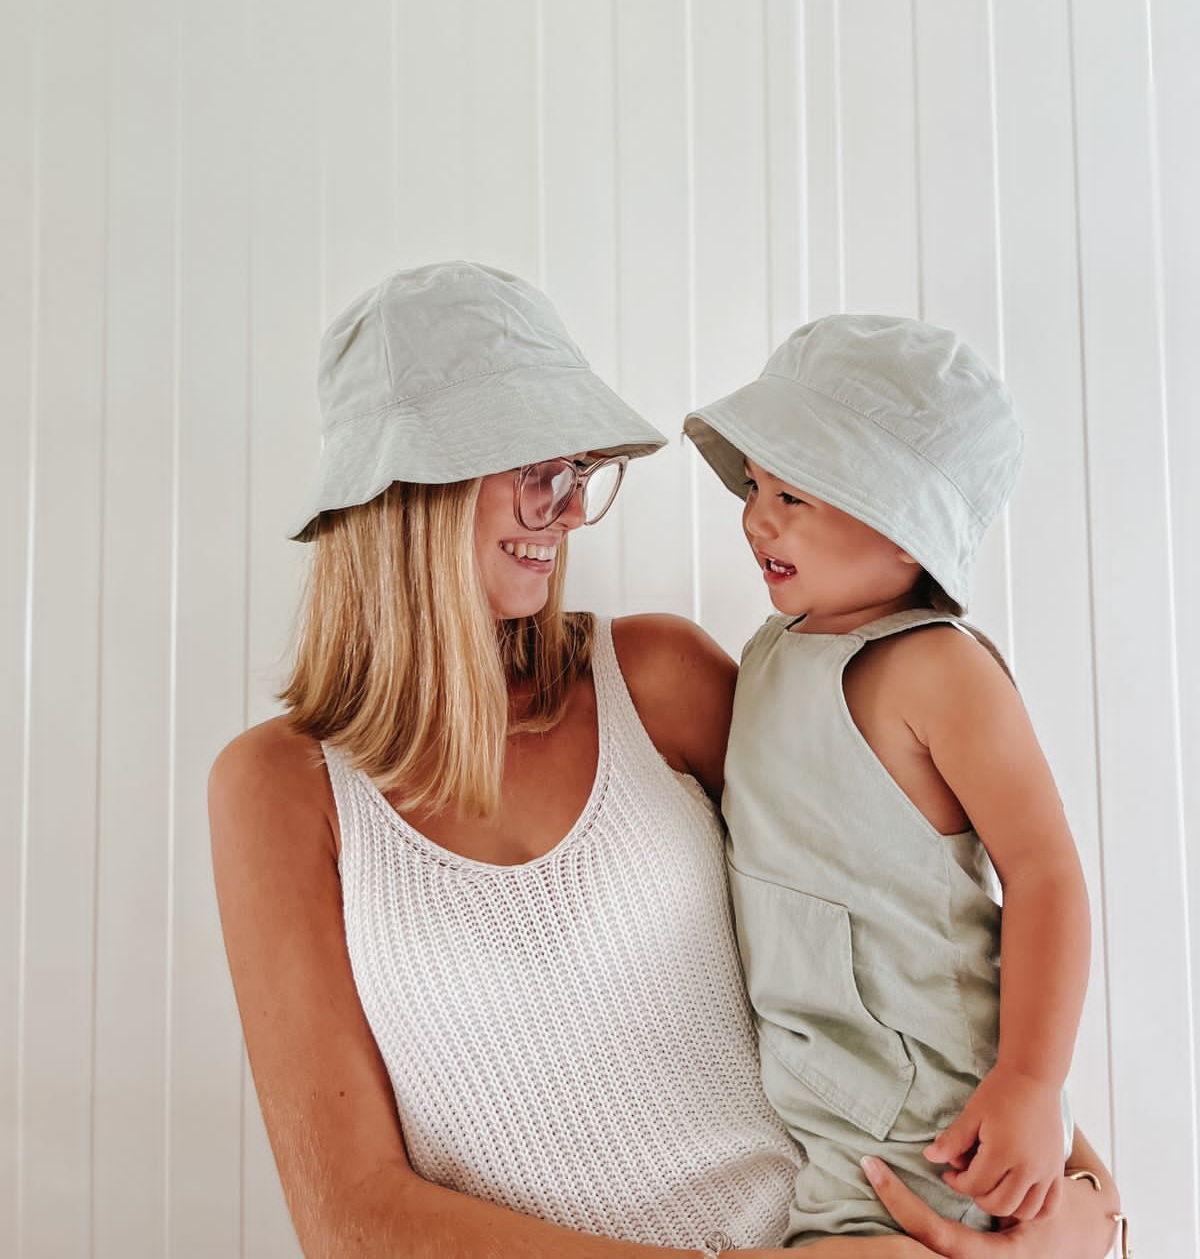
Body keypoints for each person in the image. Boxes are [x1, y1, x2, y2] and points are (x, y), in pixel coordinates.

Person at [209, 264, 1119, 1257]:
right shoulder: (277, 792)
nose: (564, 509)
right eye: (531, 469)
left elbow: (908, 927)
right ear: (404, 485)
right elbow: (354, 1222)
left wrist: (1075, 1208)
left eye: (578, 471)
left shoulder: (658, 678)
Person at [683, 315, 1092, 1247]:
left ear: (908, 532)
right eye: (756, 485)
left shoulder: (938, 669)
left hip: (945, 1113)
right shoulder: (769, 657)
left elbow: (1045, 875)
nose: (758, 516)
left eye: (797, 495)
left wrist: (1030, 1081)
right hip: (819, 1100)